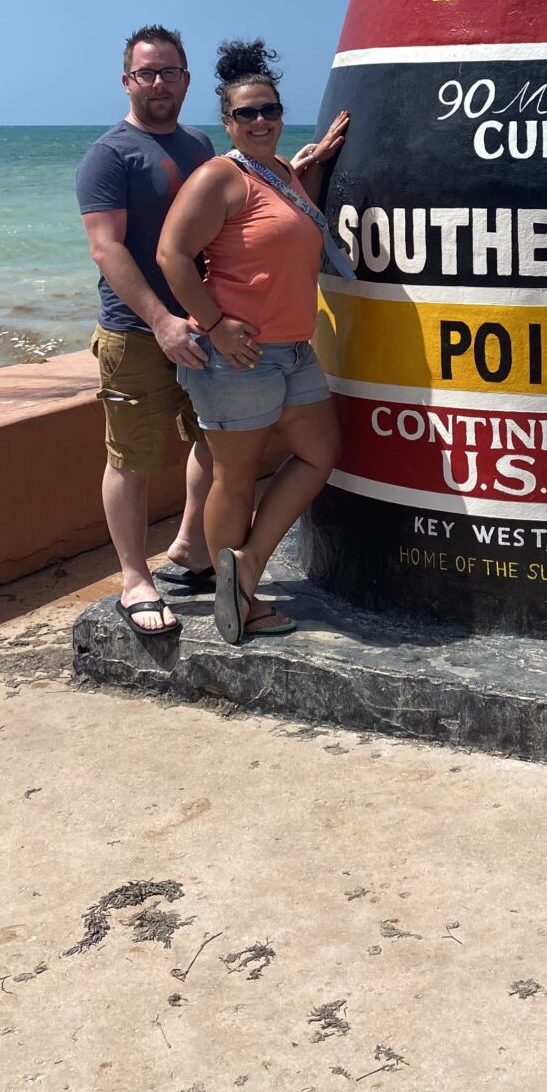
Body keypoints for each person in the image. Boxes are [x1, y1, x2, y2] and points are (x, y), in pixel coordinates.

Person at [157, 38, 349, 643]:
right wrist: (215, 325)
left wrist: (312, 163)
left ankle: (244, 568)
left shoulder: (282, 172)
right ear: (227, 121)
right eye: (247, 113)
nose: (260, 120)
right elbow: (172, 255)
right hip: (236, 357)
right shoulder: (219, 176)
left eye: (270, 110)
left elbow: (285, 229)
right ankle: (237, 600)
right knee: (235, 479)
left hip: (292, 349)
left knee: (320, 452)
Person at [75, 25, 217, 637]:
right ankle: (135, 579)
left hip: (202, 325)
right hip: (136, 333)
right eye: (147, 73)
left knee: (217, 438)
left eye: (170, 72)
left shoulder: (199, 144)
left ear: (186, 79)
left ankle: (189, 545)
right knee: (132, 461)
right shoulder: (110, 155)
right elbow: (106, 248)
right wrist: (161, 322)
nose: (159, 83)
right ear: (127, 81)